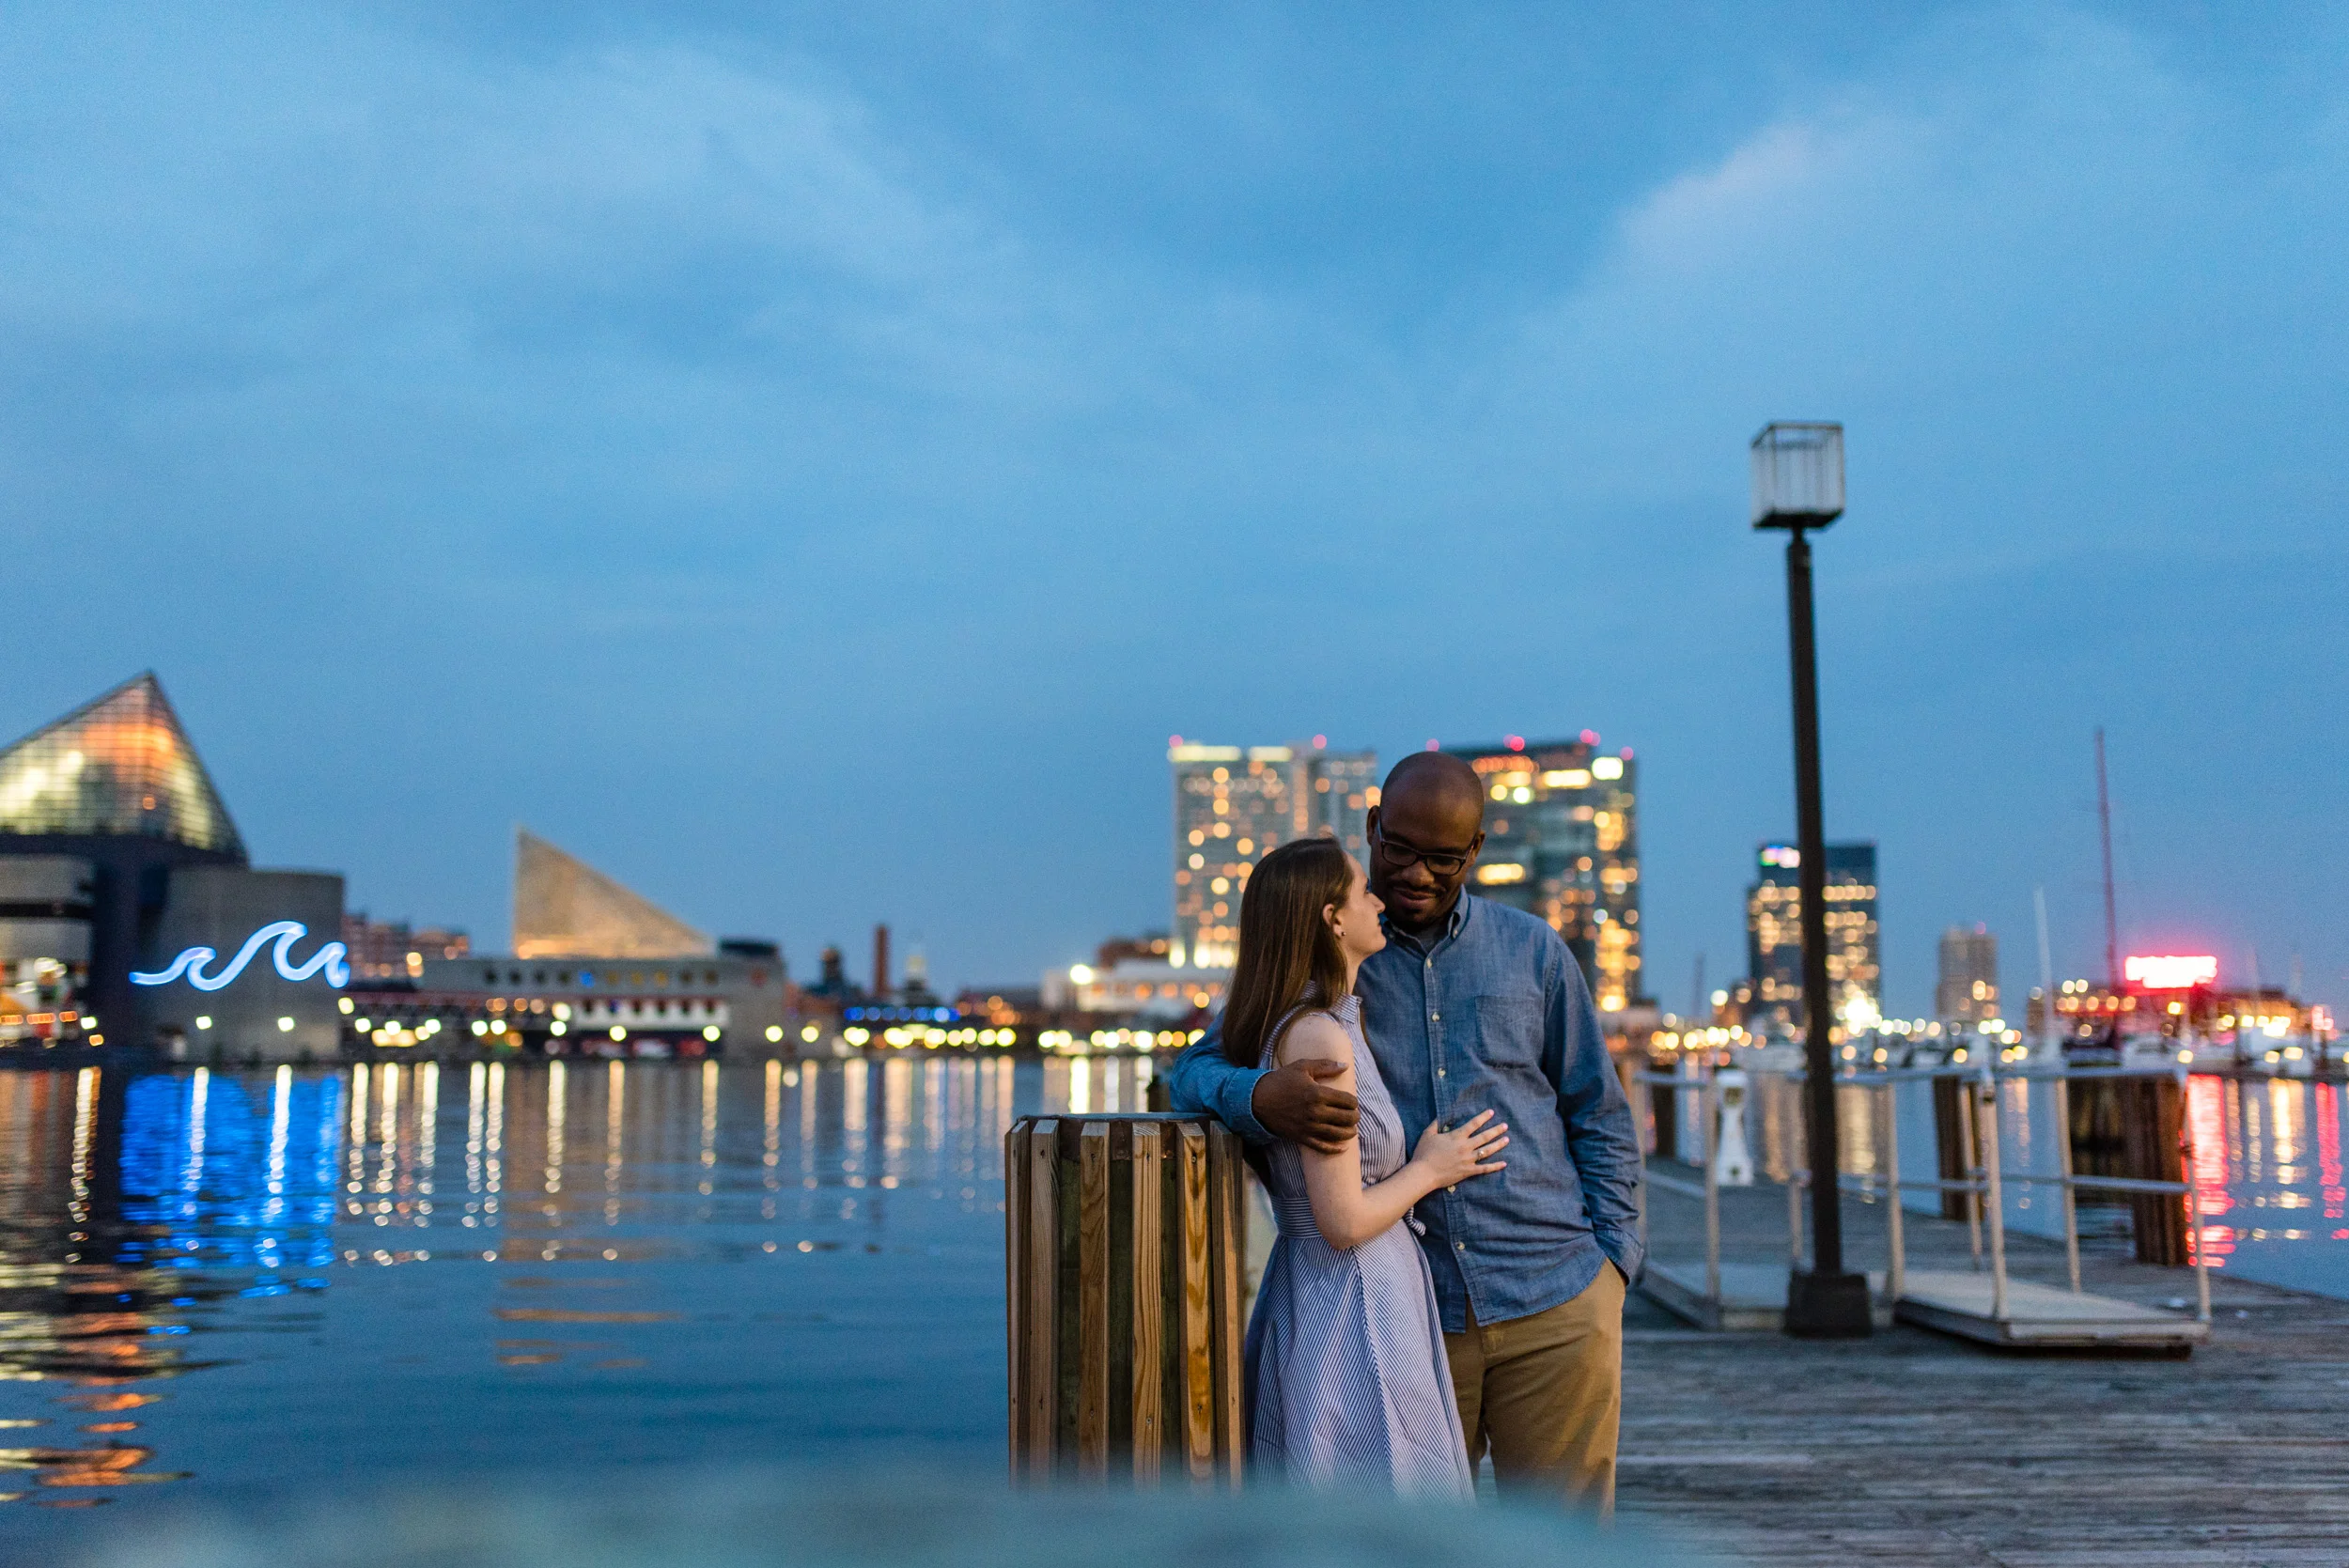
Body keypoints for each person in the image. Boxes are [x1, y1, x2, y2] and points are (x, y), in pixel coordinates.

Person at [1170, 752, 1643, 1514]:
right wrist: (1257, 1095)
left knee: (1568, 1546)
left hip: (1555, 1300)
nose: (1417, 873)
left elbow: (1598, 1110)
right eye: (1398, 849)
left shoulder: (1534, 951)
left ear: (1475, 850)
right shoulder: (1328, 968)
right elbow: (1190, 1070)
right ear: (1372, 828)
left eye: (1442, 858)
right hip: (1406, 1318)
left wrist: (1614, 1265)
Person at [1223, 834, 1508, 1495]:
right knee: (1377, 1495)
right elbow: (1342, 1219)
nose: (1377, 901)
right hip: (1349, 1299)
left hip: (1357, 1288)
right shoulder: (1317, 1035)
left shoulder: (1331, 1024)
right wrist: (1433, 1167)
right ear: (1332, 918)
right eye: (1362, 891)